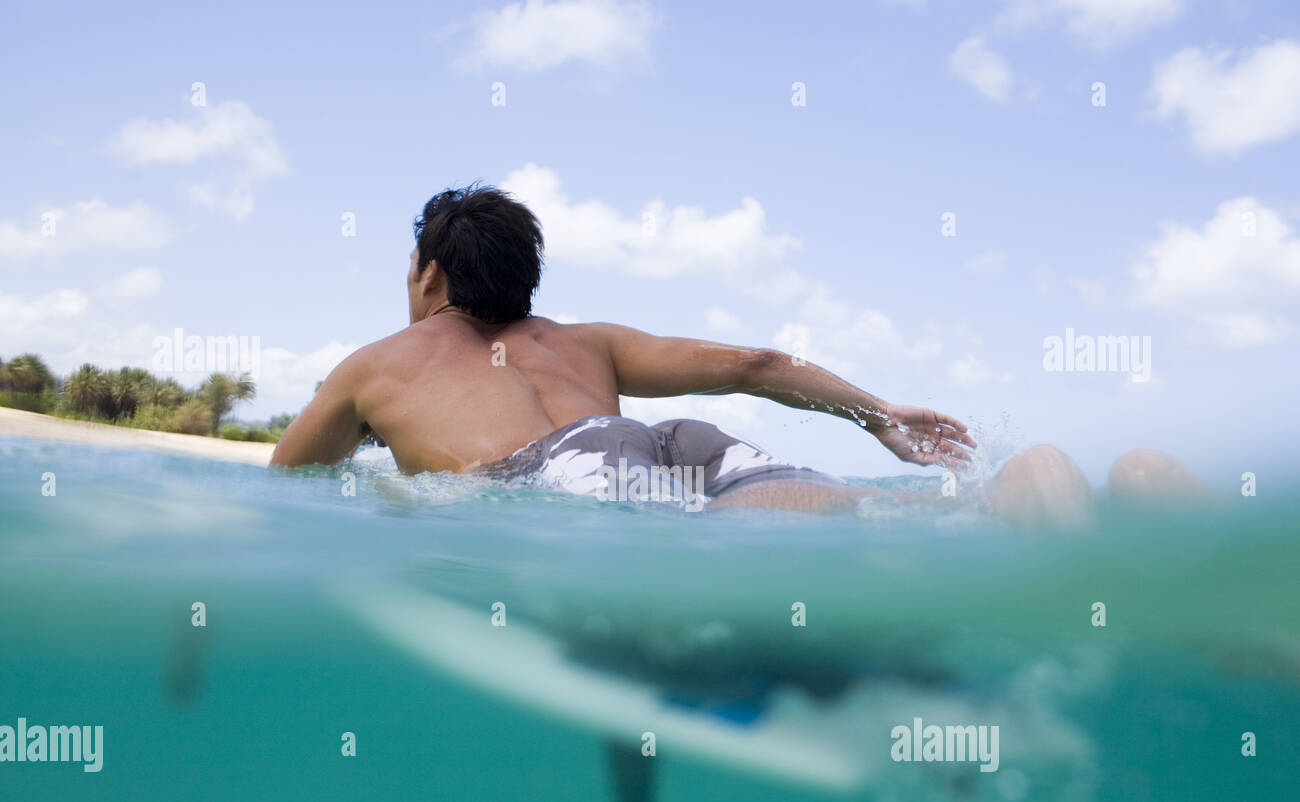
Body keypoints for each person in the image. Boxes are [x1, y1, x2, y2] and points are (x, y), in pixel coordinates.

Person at [271, 185, 1207, 524]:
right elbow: (758, 363)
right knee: (887, 514)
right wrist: (880, 415)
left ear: (430, 274)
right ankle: (1053, 487)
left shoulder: (377, 364)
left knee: (828, 539)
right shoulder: (582, 340)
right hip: (675, 442)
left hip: (565, 482)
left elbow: (285, 487)